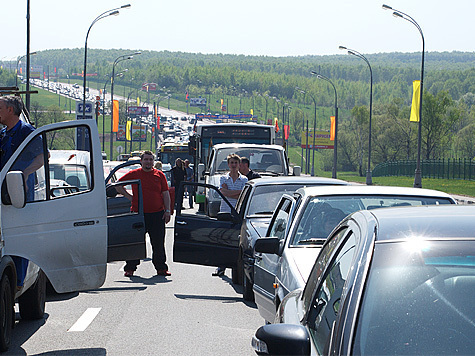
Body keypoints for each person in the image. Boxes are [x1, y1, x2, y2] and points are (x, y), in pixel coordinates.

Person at [0, 95, 44, 287]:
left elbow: (43, 155)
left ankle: (18, 282)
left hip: (19, 193)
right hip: (4, 194)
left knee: (19, 238)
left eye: (0, 107)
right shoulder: (4, 133)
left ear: (10, 110)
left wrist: (25, 174)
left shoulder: (26, 131)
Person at [115, 150, 172, 277]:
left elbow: (165, 193)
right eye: (146, 159)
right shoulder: (134, 173)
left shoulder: (159, 175)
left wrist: (167, 211)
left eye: (150, 159)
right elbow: (118, 185)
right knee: (135, 241)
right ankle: (130, 268)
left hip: (157, 214)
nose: (148, 162)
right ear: (141, 161)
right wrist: (130, 197)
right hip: (137, 214)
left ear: (153, 161)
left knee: (158, 243)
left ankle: (161, 268)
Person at [213, 153, 248, 277]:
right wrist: (234, 192)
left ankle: (235, 267)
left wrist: (230, 192)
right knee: (222, 239)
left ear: (239, 165)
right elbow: (223, 193)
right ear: (228, 165)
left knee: (236, 240)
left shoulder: (244, 180)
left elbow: (243, 196)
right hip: (225, 211)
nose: (233, 165)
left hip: (238, 213)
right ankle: (220, 267)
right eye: (231, 163)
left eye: (236, 163)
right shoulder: (223, 178)